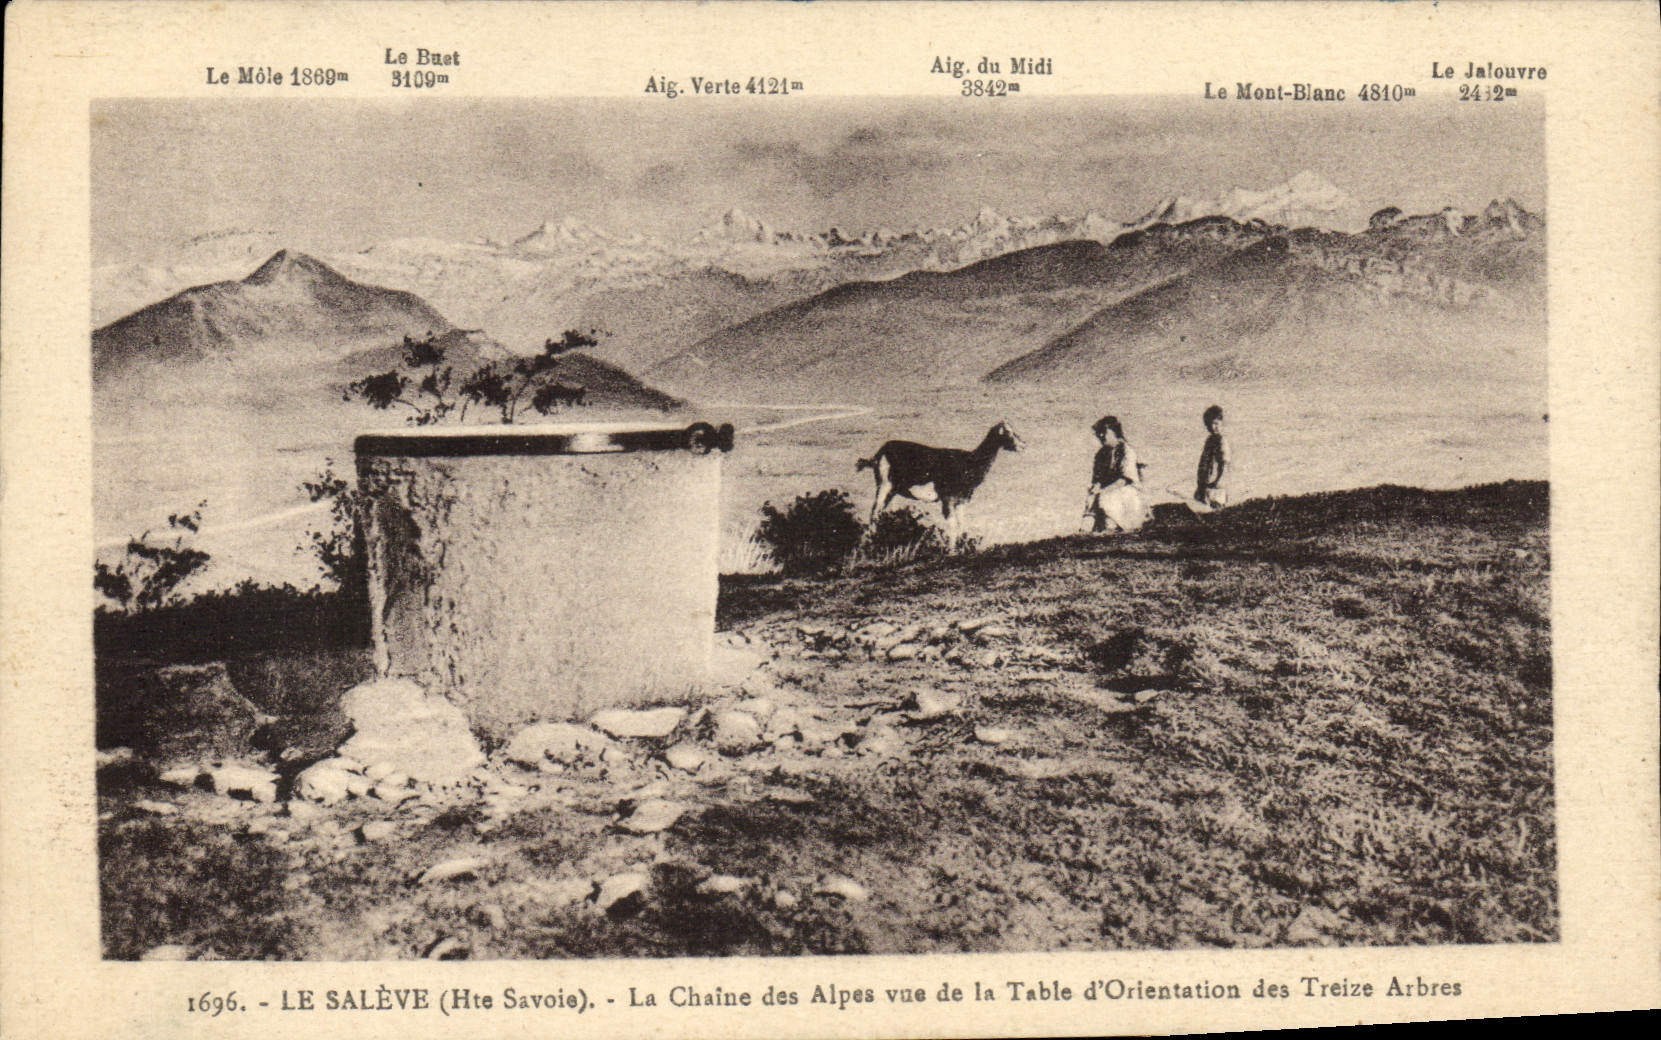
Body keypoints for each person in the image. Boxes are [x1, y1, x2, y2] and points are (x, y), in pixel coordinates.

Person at [1084, 415, 1146, 533]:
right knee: (1092, 498)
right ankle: (1087, 530)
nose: (1101, 436)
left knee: (1107, 499)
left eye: (1104, 433)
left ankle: (1116, 527)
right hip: (1108, 492)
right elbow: (1097, 478)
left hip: (1127, 493)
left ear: (1114, 432)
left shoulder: (1126, 451)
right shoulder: (1101, 454)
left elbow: (1126, 479)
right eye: (1099, 433)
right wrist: (1095, 487)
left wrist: (1103, 491)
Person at [1194, 404, 1230, 508]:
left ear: (1221, 423)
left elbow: (1223, 464)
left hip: (1215, 489)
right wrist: (1201, 486)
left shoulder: (1221, 441)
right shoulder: (1209, 441)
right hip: (1206, 486)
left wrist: (1216, 483)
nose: (1212, 427)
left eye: (1216, 423)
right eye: (1209, 424)